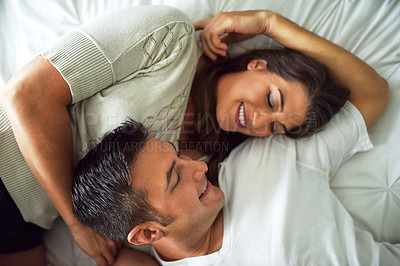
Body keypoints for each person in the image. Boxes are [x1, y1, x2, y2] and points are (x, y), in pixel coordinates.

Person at [0, 5, 385, 266]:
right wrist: (268, 23)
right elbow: (26, 96)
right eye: (270, 97)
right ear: (256, 62)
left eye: (277, 126)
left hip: (30, 224)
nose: (261, 120)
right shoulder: (170, 40)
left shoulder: (209, 163)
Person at [72, 98, 398, 264]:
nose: (197, 168)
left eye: (179, 156)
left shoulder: (261, 160)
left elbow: (371, 97)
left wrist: (270, 23)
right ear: (147, 233)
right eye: (175, 178)